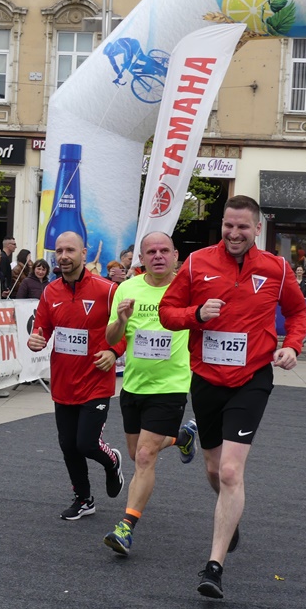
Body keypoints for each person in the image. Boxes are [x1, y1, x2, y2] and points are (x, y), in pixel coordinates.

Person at [159, 195, 306, 599]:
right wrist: (196, 315)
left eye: (243, 226)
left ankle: (214, 567)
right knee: (213, 469)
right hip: (207, 379)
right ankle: (231, 512)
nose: (234, 233)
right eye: (228, 225)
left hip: (252, 378)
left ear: (258, 228)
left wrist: (292, 345)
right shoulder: (196, 263)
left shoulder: (277, 268)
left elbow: (297, 313)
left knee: (229, 471)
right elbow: (167, 312)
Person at [102, 232, 192, 556]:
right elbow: (111, 336)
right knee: (135, 452)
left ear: (176, 255)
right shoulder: (127, 289)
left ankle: (126, 527)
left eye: (164, 250)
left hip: (171, 385)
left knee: (144, 455)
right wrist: (121, 319)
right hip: (134, 386)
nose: (158, 256)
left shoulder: (188, 288)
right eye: (151, 251)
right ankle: (181, 437)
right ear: (141, 258)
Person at [27, 231, 126, 520]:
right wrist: (36, 340)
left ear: (84, 254)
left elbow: (125, 329)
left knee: (87, 443)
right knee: (68, 445)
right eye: (59, 251)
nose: (63, 256)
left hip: (96, 381)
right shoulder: (50, 292)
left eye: (70, 250)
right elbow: (42, 329)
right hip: (63, 382)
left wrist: (113, 351)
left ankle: (112, 461)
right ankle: (84, 499)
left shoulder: (107, 290)